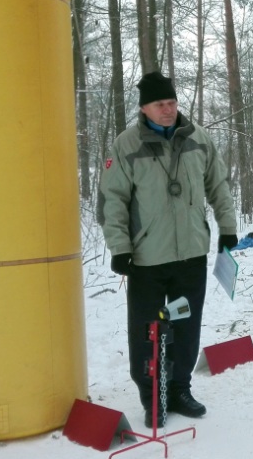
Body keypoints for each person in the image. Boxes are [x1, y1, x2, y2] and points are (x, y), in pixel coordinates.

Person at [98, 71, 237, 429]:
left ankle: (179, 390)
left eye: (172, 102)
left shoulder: (198, 139)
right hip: (147, 259)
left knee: (186, 325)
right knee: (147, 330)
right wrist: (120, 247)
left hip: (191, 254)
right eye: (160, 104)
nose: (168, 109)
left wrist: (228, 228)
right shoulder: (127, 145)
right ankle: (152, 397)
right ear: (144, 108)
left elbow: (219, 186)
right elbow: (113, 200)